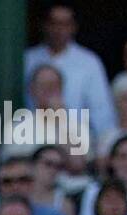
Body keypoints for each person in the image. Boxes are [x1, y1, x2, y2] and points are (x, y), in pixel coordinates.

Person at [24, 4, 116, 139]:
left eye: (65, 24)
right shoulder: (28, 59)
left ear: (73, 27)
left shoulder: (89, 62)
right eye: (54, 23)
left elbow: (101, 112)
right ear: (44, 25)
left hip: (76, 139)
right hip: (32, 136)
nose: (58, 29)